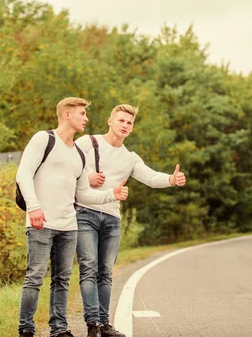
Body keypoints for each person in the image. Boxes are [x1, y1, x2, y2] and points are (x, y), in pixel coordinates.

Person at [16, 97, 130, 337]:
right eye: (82, 114)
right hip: (41, 221)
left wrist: (112, 194)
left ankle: (58, 329)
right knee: (35, 276)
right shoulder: (43, 139)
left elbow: (84, 193)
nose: (86, 119)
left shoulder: (79, 153)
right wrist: (34, 208)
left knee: (62, 280)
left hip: (69, 225)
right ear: (67, 115)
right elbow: (23, 174)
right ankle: (26, 330)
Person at [75, 104, 186, 337]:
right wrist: (87, 177)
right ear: (110, 121)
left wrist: (172, 179)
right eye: (121, 120)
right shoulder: (88, 142)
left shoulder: (130, 157)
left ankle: (104, 325)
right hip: (85, 213)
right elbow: (65, 168)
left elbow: (151, 177)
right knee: (88, 269)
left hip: (112, 218)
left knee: (105, 272)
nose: (125, 125)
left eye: (129, 123)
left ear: (132, 128)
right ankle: (92, 325)